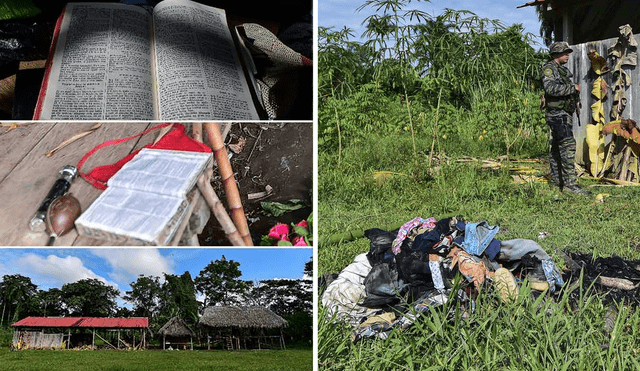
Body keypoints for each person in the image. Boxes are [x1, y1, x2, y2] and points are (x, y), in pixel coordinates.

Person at [540, 41, 591, 195]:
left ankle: (557, 183)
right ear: (556, 54)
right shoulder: (549, 69)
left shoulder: (561, 70)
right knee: (568, 146)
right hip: (557, 114)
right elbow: (550, 89)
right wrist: (573, 87)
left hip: (563, 113)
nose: (567, 55)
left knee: (556, 149)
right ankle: (570, 185)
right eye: (564, 52)